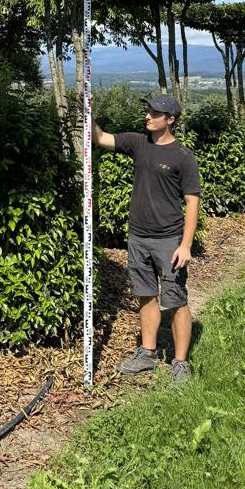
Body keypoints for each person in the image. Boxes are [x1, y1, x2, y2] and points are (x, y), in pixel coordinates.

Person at [90, 93, 201, 382]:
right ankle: (148, 354)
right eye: (148, 111)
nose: (148, 116)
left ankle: (180, 362)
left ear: (171, 120)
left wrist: (186, 245)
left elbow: (192, 201)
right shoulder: (139, 143)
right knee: (146, 294)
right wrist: (89, 113)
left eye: (155, 113)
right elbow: (101, 139)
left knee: (176, 300)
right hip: (138, 236)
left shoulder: (182, 157)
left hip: (169, 239)